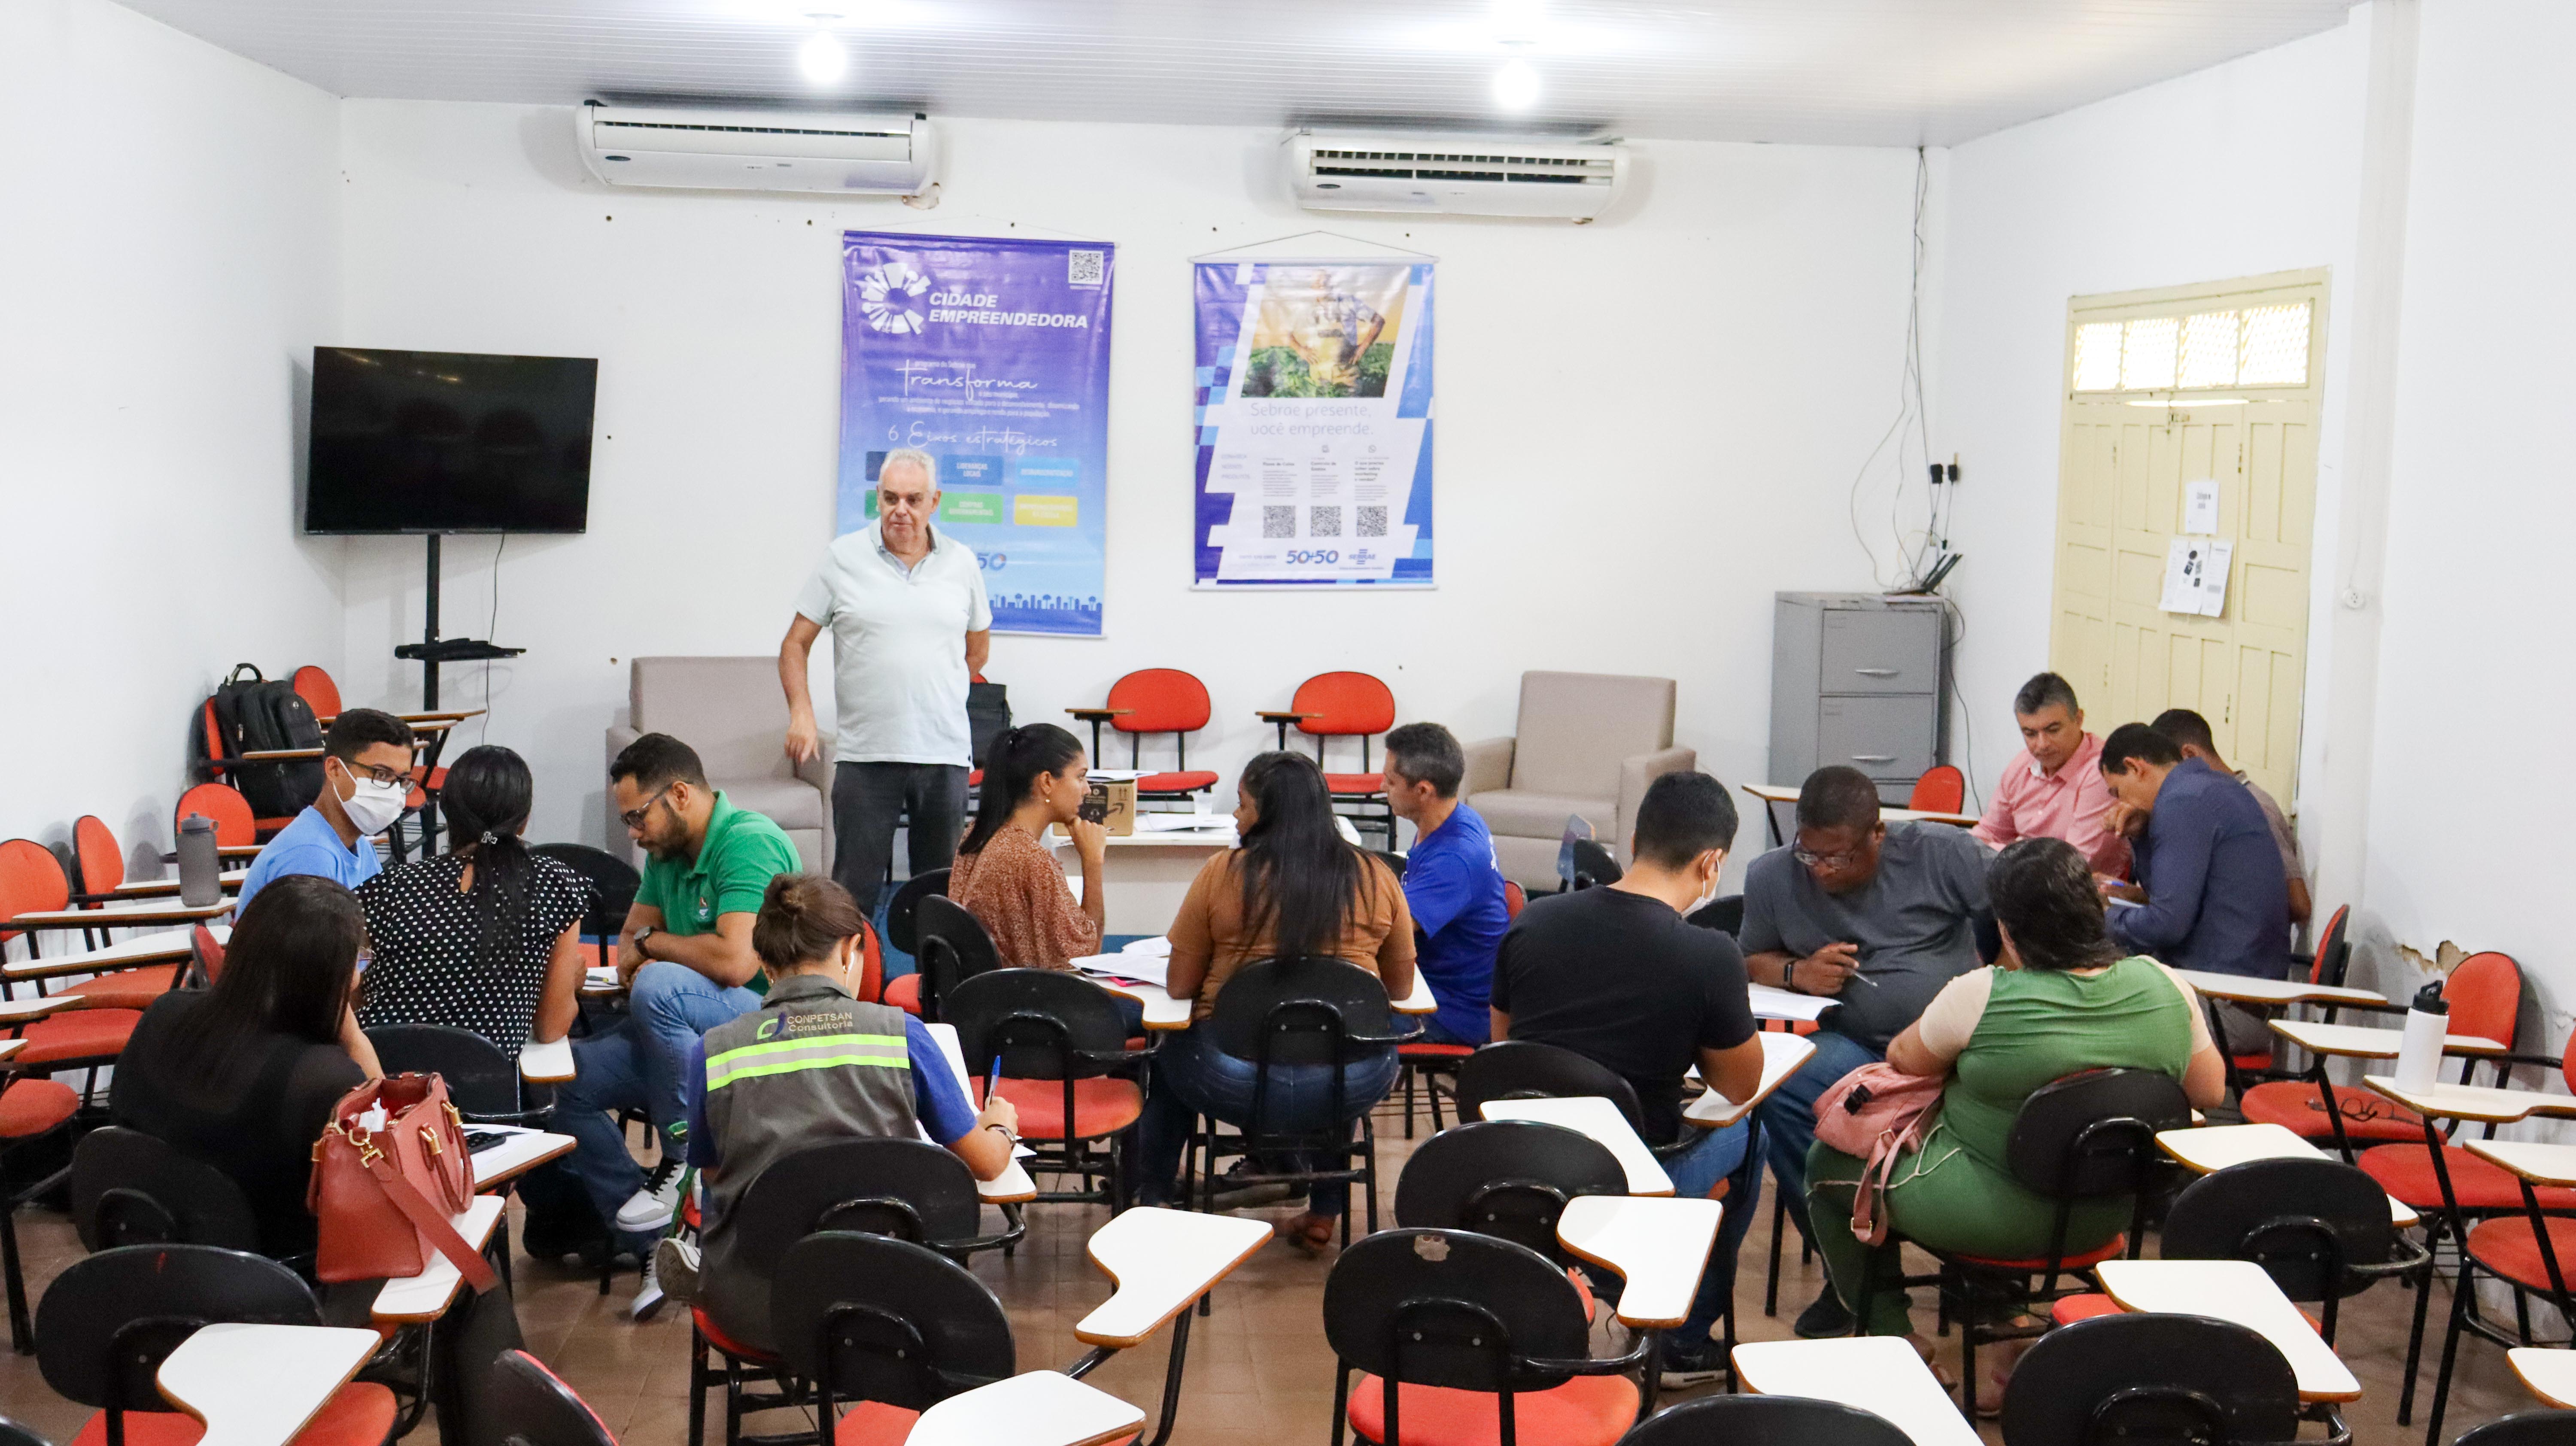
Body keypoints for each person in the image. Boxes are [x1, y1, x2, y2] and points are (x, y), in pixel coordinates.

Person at [1804, 838, 2225, 1409]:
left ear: (2006, 929)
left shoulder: (1980, 995)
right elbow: (2210, 1090)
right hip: (2105, 1215)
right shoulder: (2165, 984)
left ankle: (1897, 1337)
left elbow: (1905, 1058)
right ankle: (2012, 1337)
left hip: (1988, 1214)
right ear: (2096, 909)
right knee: (2001, 1160)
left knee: (1828, 1167)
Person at [652, 874, 1019, 1353]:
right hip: (888, 1303)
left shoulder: (714, 1052)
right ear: (849, 950)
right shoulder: (902, 1035)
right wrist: (1001, 1124)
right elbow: (987, 1163)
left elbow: (715, 1172)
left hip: (760, 1308)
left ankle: (708, 1275)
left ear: (764, 962)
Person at [1489, 771, 1764, 1384]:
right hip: (1635, 1173)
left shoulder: (1532, 921)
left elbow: (1501, 1050)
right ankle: (1683, 1339)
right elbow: (1739, 1086)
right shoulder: (1708, 953)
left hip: (1521, 1160)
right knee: (1753, 1133)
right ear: (1712, 864)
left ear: (1636, 840)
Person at [1741, 765, 1993, 1337]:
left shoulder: (1942, 853)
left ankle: (1984, 1276)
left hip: (1953, 1050)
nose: (1822, 869)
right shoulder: (1772, 875)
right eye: (1810, 853)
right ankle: (1857, 1273)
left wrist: (1997, 988)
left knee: (2002, 1081)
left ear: (1878, 833)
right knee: (1784, 1084)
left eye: (1839, 856)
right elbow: (1749, 959)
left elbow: (2022, 914)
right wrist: (1796, 971)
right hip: (1854, 1047)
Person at [1134, 752, 1418, 1254]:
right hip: (1352, 1081)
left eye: (1242, 804)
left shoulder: (1222, 873)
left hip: (1229, 1078)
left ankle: (1154, 1200)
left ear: (1267, 812)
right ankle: (1325, 1211)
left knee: (1166, 1057)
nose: (1236, 816)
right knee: (1341, 1043)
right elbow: (1399, 989)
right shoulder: (1377, 876)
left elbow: (1179, 986)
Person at [562, 733, 802, 1319]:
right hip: (680, 1030)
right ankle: (661, 1237)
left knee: (660, 986)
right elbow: (628, 944)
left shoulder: (748, 842)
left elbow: (736, 963)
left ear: (680, 794)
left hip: (763, 1026)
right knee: (563, 1082)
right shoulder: (665, 854)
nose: (633, 833)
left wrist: (657, 946)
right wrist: (654, 948)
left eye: (637, 816)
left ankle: (680, 1160)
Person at [779, 447, 993, 917]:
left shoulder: (961, 563)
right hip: (866, 755)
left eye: (913, 500)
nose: (901, 510)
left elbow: (977, 650)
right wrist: (802, 713)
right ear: (877, 497)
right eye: (891, 498)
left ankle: (931, 969)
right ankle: (852, 968)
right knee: (852, 895)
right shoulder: (842, 558)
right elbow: (795, 644)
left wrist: (932, 686)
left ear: (934, 501)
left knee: (939, 894)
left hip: (943, 754)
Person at [112, 874, 371, 1258]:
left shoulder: (164, 1013)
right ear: (330, 975)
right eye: (357, 961)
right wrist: (348, 1026)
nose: (359, 975)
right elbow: (384, 1158)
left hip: (141, 1250)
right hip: (267, 1274)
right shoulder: (320, 1078)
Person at [355, 744, 587, 1057]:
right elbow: (551, 1028)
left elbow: (355, 999)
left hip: (384, 1076)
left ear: (447, 813)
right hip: (486, 1083)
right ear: (524, 820)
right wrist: (569, 984)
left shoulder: (385, 888)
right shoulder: (553, 884)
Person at [234, 707, 414, 1077]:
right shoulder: (310, 856)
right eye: (381, 775)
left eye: (401, 780)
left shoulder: (358, 844)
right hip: (296, 1035)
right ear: (334, 769)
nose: (394, 793)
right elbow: (316, 990)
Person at [2098, 723, 2289, 1054]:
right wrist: (2141, 835)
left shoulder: (2182, 801)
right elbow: (2166, 900)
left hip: (2225, 1009)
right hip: (2238, 999)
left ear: (2135, 767)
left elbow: (2166, 925)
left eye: (2117, 792)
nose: (2119, 804)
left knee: (2082, 1017)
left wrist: (2099, 918)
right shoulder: (2210, 787)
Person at [1380, 722, 1509, 1047]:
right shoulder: (1455, 818)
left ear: (1423, 791)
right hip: (1434, 981)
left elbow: (1386, 932)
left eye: (1391, 782)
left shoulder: (1455, 859)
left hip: (1450, 1011)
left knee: (1331, 1014)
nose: (1383, 787)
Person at [948, 723, 1108, 970]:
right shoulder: (1030, 858)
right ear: (1047, 782)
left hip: (979, 987)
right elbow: (1084, 958)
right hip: (1020, 991)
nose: (1087, 789)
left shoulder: (978, 832)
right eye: (1080, 776)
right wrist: (1093, 861)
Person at [2150, 707, 2309, 925]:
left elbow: (2299, 906)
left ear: (2190, 755)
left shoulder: (2254, 807)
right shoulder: (2209, 806)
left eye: (2169, 774)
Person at [1971, 672, 2130, 878]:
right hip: (2019, 882)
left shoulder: (2101, 771)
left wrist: (2008, 854)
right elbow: (1985, 836)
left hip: (2078, 892)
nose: (2042, 744)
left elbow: (2074, 864)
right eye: (2030, 734)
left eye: (2053, 730)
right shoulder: (2021, 765)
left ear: (2079, 719)